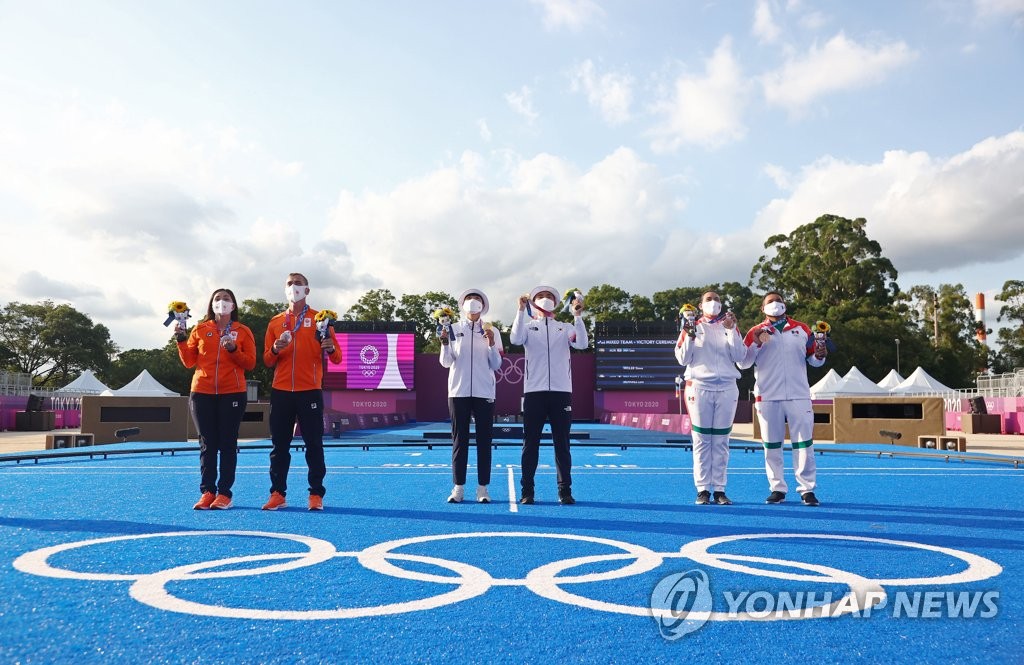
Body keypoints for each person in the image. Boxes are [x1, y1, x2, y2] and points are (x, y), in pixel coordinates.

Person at [738, 291, 829, 506]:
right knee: (771, 445)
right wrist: (757, 342)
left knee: (804, 443)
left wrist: (820, 354)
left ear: (785, 305)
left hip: (798, 394)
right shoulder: (755, 331)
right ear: (762, 309)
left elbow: (814, 361)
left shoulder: (802, 329)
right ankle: (777, 488)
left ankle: (807, 489)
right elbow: (743, 363)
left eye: (778, 301)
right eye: (770, 302)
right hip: (768, 395)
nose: (775, 304)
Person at [261, 273, 342, 511]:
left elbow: (337, 358)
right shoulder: (275, 322)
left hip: (310, 390)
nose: (293, 287)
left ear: (307, 290)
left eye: (298, 283)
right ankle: (277, 493)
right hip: (281, 390)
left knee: (314, 444)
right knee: (279, 445)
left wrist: (329, 348)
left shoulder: (321, 320)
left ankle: (316, 494)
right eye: (289, 283)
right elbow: (266, 360)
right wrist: (275, 349)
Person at [175, 288, 256, 510]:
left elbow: (250, 363)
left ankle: (224, 493)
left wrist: (232, 350)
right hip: (202, 391)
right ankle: (207, 491)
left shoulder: (243, 331)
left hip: (233, 392)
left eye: (226, 299)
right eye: (218, 299)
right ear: (211, 305)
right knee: (207, 443)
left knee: (228, 443)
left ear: (234, 305)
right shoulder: (200, 329)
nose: (222, 302)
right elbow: (189, 362)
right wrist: (181, 341)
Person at [510, 285, 588, 505]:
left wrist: (577, 316)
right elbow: (515, 339)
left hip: (561, 392)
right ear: (534, 301)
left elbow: (582, 343)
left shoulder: (564, 327)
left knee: (562, 444)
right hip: (534, 392)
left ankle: (564, 490)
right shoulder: (527, 326)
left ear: (555, 302)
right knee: (530, 443)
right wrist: (519, 310)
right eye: (541, 296)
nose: (545, 299)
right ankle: (527, 491)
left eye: (549, 297)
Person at [674, 291, 745, 506]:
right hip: (699, 387)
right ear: (700, 305)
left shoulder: (729, 325)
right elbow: (682, 358)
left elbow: (740, 357)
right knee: (702, 440)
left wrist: (731, 330)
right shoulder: (691, 325)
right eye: (708, 299)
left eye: (717, 299)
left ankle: (720, 490)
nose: (713, 303)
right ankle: (703, 489)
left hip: (727, 387)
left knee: (721, 440)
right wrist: (689, 333)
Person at [439, 289, 504, 503]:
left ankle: (483, 489)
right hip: (458, 392)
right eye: (469, 299)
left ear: (483, 305)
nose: (473, 302)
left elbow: (496, 364)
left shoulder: (491, 329)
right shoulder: (453, 328)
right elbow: (446, 362)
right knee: (460, 440)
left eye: (476, 299)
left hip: (484, 392)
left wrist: (492, 342)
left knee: (484, 441)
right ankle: (458, 488)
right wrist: (445, 343)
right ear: (463, 304)